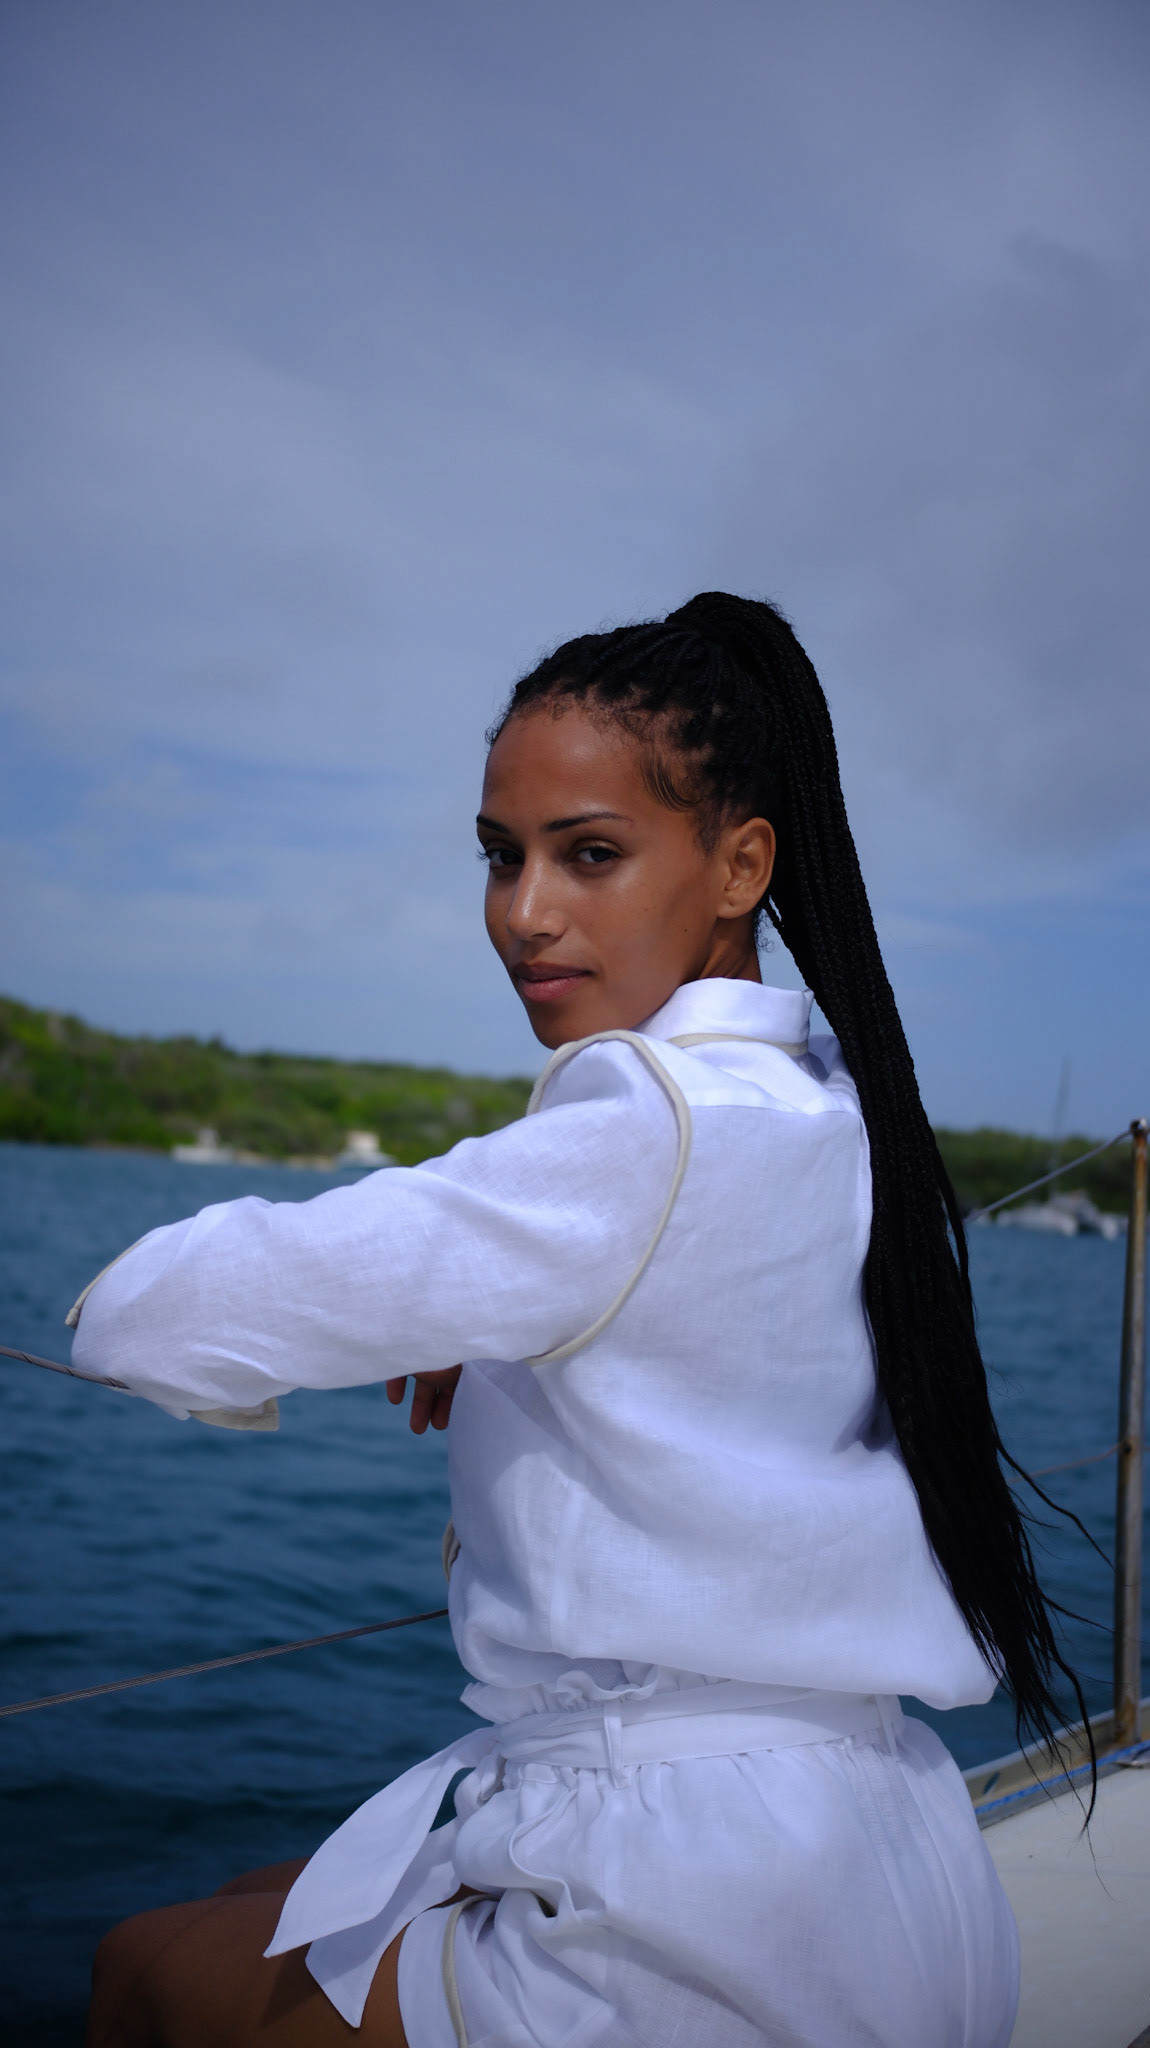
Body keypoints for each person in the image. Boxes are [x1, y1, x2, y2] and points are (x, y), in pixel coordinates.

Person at [78, 592, 1070, 2048]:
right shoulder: (827, 1111)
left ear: (741, 866)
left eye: (588, 854)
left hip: (688, 1912)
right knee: (259, 1898)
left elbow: (145, 1321)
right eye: (501, 855)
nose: (523, 911)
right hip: (893, 1863)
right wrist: (493, 1321)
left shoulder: (640, 1127)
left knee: (143, 1968)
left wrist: (423, 1316)